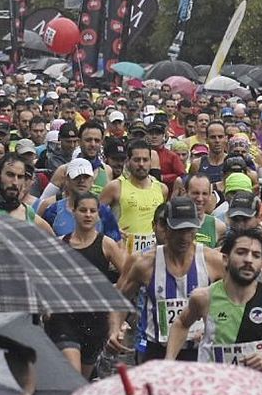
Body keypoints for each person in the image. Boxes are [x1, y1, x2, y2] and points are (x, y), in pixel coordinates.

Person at [166, 229, 262, 371]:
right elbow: (181, 323)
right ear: (225, 259)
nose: (249, 260)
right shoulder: (203, 297)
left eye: (256, 255)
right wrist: (169, 360)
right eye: (241, 252)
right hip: (215, 387)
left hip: (255, 390)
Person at [115, 196, 228, 361]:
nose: (184, 237)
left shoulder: (213, 261)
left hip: (199, 352)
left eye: (189, 230)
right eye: (178, 230)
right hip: (156, 351)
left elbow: (236, 300)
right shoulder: (146, 263)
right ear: (165, 228)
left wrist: (216, 324)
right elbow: (119, 299)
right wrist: (114, 328)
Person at [46, 192, 125, 377]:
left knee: (82, 381)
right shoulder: (60, 244)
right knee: (73, 376)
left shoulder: (107, 245)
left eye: (92, 211)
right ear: (73, 211)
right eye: (83, 210)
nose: (88, 215)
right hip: (64, 318)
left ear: (98, 214)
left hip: (95, 322)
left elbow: (128, 276)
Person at [100, 139, 167, 255]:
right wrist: (111, 230)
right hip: (124, 256)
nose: (141, 164)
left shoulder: (162, 189)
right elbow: (95, 214)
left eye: (145, 160)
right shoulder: (115, 187)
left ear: (150, 162)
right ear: (128, 161)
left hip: (153, 256)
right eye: (136, 160)